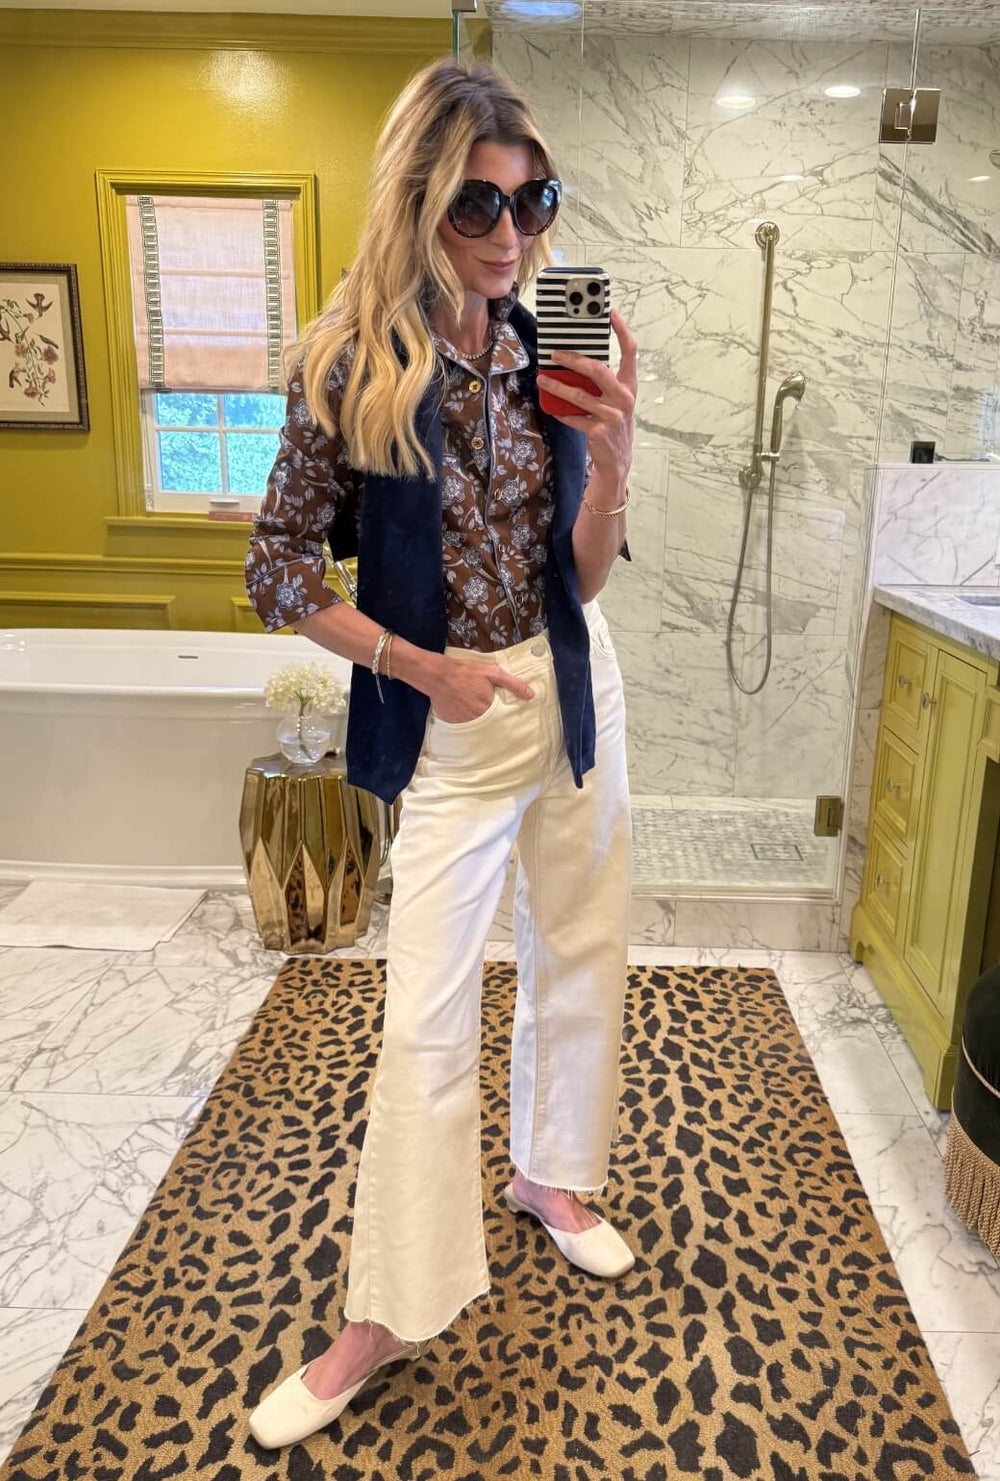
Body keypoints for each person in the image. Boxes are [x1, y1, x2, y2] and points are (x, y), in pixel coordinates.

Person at [243, 55, 637, 1450]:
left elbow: (581, 576)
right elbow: (277, 572)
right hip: (453, 724)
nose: (512, 233)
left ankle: (550, 1174)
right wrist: (421, 668)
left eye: (535, 200)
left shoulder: (558, 329)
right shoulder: (350, 357)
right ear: (419, 199)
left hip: (572, 686)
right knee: (423, 1013)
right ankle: (387, 1310)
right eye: (479, 203)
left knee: (582, 944)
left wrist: (619, 452)